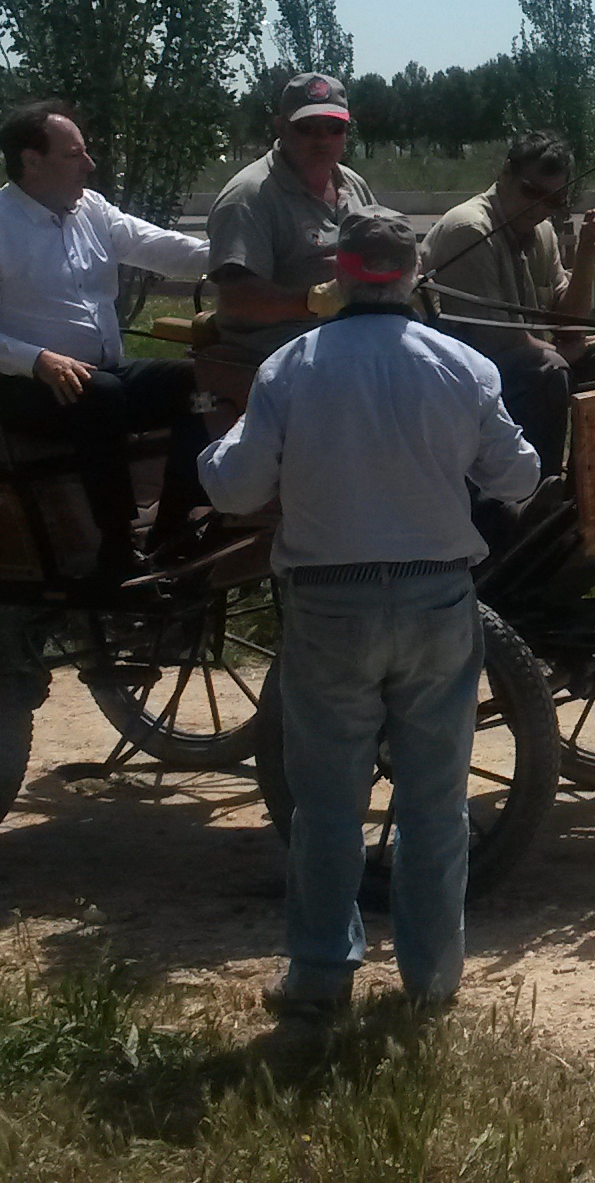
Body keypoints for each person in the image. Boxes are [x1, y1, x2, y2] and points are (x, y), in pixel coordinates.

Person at [200, 212, 540, 1049]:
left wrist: (212, 436)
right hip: (436, 600)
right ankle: (432, 978)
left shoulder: (291, 366)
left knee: (325, 805)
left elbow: (235, 491)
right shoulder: (462, 365)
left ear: (340, 276)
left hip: (329, 604)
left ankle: (320, 975)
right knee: (436, 802)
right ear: (415, 273)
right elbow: (519, 476)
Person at [0, 101, 213, 580]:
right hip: (17, 389)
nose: (89, 164)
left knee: (202, 383)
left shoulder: (92, 209)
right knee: (99, 396)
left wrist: (239, 257)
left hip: (98, 377)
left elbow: (161, 247)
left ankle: (172, 526)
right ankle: (116, 547)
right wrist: (39, 360)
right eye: (74, 155)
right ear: (31, 161)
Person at [416, 132, 595, 469]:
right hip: (464, 378)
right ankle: (539, 490)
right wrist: (563, 351)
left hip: (525, 364)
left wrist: (587, 256)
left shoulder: (542, 232)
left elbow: (569, 324)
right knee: (550, 371)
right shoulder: (470, 229)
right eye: (531, 192)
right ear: (506, 171)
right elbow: (496, 339)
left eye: (553, 200)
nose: (539, 208)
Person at [204, 72, 384, 372]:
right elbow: (236, 299)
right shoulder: (249, 196)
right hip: (279, 356)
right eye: (307, 127)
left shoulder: (353, 184)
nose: (322, 139)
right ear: (281, 128)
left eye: (334, 128)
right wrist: (316, 300)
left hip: (351, 340)